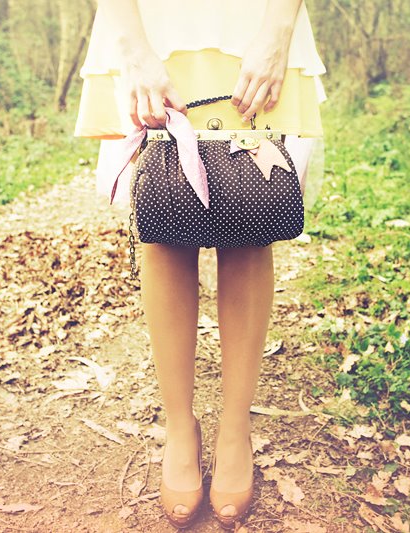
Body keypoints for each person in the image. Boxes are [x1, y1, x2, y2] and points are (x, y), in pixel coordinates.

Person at [74, 0, 325, 528]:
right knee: (164, 220)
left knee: (250, 215)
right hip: (146, 24)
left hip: (258, 20)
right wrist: (132, 46)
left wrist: (277, 30)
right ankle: (180, 429)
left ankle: (235, 430)